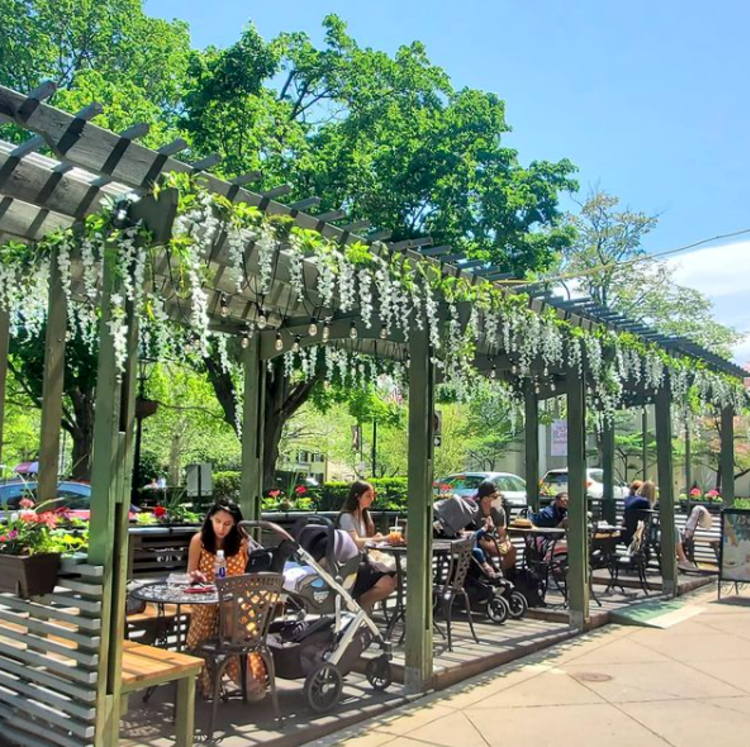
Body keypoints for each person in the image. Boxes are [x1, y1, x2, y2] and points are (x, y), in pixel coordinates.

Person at [185, 499, 264, 699]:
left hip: (234, 599)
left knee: (236, 619)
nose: (221, 528)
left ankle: (246, 676)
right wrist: (196, 577)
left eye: (227, 524)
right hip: (207, 598)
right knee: (210, 622)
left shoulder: (242, 542)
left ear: (235, 525)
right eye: (217, 521)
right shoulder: (199, 540)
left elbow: (247, 574)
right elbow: (190, 573)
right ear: (210, 519)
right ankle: (212, 681)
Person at [337, 480, 397, 611]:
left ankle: (360, 608)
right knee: (388, 583)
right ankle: (357, 608)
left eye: (373, 495)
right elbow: (356, 542)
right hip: (351, 564)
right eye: (368, 496)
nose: (372, 499)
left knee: (397, 574)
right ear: (357, 497)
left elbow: (366, 541)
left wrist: (376, 540)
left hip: (365, 560)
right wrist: (383, 538)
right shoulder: (346, 517)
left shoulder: (365, 515)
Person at [469, 480, 517, 572]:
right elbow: (469, 533)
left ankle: (502, 574)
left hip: (492, 541)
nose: (498, 499)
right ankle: (488, 573)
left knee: (512, 550)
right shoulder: (474, 509)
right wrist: (485, 544)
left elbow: (501, 532)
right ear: (484, 498)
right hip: (475, 542)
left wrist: (505, 541)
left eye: (499, 496)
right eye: (495, 497)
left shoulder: (499, 511)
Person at [677, 504, 713, 570]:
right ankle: (685, 561)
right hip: (687, 535)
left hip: (687, 534)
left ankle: (684, 561)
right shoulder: (694, 519)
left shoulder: (693, 519)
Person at [622, 480, 655, 546]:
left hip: (625, 531)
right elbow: (647, 522)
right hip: (636, 534)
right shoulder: (645, 503)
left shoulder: (630, 499)